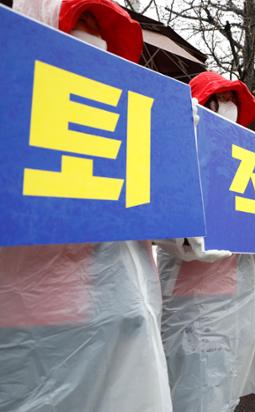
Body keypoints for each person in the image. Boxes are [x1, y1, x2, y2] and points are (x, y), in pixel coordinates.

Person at [1, 2, 172, 412]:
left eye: (102, 30)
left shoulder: (127, 128)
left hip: (122, 319)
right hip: (35, 331)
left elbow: (170, 233)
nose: (95, 38)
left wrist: (175, 160)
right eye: (82, 22)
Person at [156, 71, 255, 412]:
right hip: (192, 303)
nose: (227, 108)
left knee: (225, 387)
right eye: (219, 99)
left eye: (232, 102)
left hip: (234, 300)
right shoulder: (174, 146)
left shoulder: (246, 164)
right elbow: (161, 224)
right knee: (190, 390)